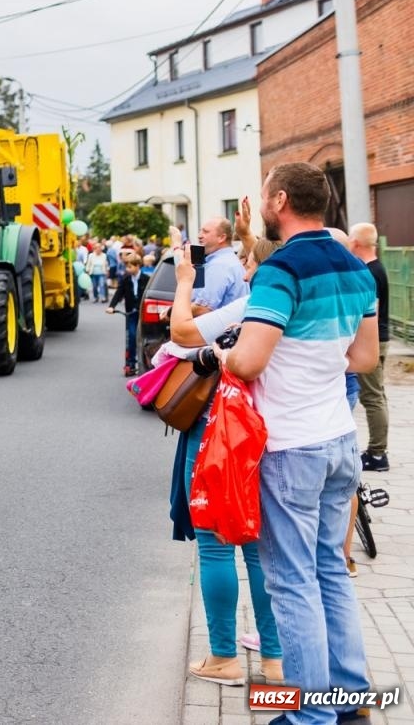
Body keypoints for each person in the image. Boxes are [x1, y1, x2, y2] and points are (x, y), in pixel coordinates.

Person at [222, 163, 381, 725]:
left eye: (265, 191)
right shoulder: (355, 265)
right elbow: (365, 359)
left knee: (291, 582)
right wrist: (316, 359)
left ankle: (310, 716)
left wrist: (222, 355)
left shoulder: (280, 270)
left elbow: (248, 360)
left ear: (280, 199)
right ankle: (351, 699)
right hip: (340, 438)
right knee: (331, 571)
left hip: (290, 445)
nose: (262, 199)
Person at [168, 238, 285, 687]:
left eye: (248, 261)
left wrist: (184, 283)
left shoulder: (249, 307)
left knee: (216, 544)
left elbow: (179, 335)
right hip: (272, 432)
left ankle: (223, 658)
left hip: (221, 429)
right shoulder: (303, 305)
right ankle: (274, 659)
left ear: (259, 268)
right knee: (259, 550)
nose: (242, 267)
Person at [349, 223, 391, 472]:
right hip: (381, 338)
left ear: (355, 243)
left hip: (375, 339)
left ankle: (377, 454)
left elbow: (369, 312)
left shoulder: (370, 273)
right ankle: (377, 450)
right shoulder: (375, 268)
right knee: (377, 395)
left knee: (372, 396)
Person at [191, 216, 247, 315]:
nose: (199, 235)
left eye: (205, 232)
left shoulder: (220, 265)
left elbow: (203, 308)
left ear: (222, 237)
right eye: (200, 231)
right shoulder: (227, 260)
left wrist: (173, 311)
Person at [105, 250, 145, 374]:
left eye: (130, 267)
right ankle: (130, 363)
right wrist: (111, 306)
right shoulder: (126, 279)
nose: (127, 269)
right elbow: (118, 293)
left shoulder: (146, 279)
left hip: (143, 313)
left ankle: (145, 362)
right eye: (126, 267)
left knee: (144, 339)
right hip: (131, 313)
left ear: (138, 266)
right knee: (131, 337)